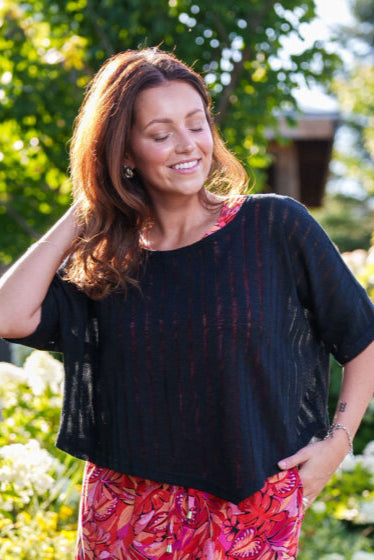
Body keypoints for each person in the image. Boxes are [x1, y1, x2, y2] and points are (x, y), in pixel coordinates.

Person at [1, 47, 374, 560]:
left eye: (196, 124)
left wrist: (338, 442)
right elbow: (9, 315)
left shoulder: (275, 226)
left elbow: (361, 337)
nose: (187, 146)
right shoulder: (107, 261)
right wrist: (86, 208)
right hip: (127, 510)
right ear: (124, 152)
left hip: (250, 506)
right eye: (160, 134)